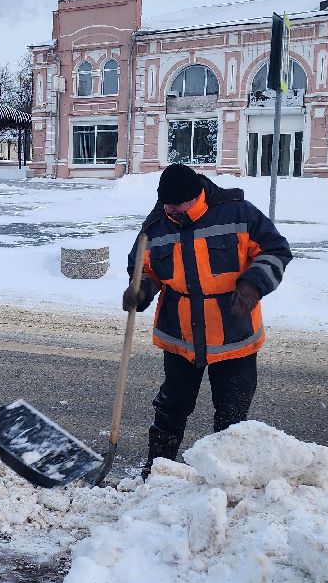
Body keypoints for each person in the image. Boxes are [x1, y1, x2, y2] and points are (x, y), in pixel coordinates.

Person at [123, 163, 293, 477]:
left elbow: (275, 249)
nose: (171, 209)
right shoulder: (156, 225)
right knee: (171, 408)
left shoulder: (238, 213)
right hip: (180, 336)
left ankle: (226, 477)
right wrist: (141, 291)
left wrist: (254, 284)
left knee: (232, 414)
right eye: (166, 203)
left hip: (234, 332)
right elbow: (145, 270)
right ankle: (157, 471)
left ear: (197, 196)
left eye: (178, 204)